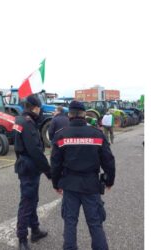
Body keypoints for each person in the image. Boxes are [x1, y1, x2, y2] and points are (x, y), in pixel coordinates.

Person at [50, 100, 115, 250]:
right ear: (84, 114)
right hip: (91, 186)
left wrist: (56, 183)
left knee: (70, 223)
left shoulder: (61, 136)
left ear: (69, 115)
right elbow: (108, 160)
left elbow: (55, 163)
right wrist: (110, 180)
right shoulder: (96, 134)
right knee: (95, 223)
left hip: (70, 186)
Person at [13, 94, 52, 250]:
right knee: (27, 202)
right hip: (29, 166)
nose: (40, 111)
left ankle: (35, 229)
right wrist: (49, 171)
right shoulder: (28, 123)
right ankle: (22, 238)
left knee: (32, 200)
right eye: (39, 108)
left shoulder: (19, 120)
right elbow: (35, 151)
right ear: (34, 108)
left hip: (24, 164)